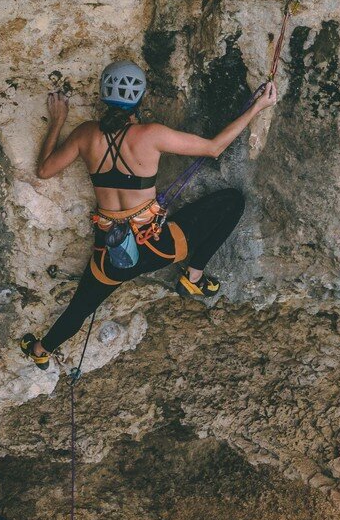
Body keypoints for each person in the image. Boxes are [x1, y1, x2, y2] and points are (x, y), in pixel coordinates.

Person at [19, 60, 276, 368]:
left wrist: (57, 121)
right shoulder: (150, 134)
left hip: (110, 258)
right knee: (232, 201)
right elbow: (213, 148)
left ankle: (40, 351)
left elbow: (45, 170)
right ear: (139, 99)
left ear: (102, 95)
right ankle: (194, 276)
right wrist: (257, 106)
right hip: (157, 247)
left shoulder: (85, 135)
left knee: (79, 310)